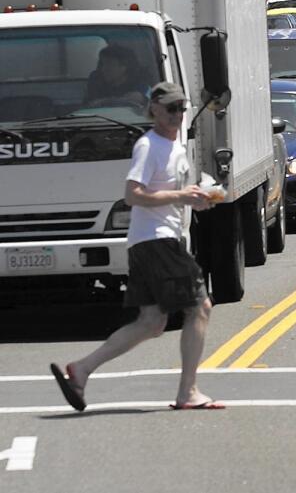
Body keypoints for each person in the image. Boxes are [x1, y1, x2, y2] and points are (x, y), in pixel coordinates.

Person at [50, 82, 221, 412]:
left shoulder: (176, 148)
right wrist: (182, 197)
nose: (177, 114)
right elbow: (133, 194)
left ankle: (81, 369)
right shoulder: (149, 145)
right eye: (170, 108)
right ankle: (188, 392)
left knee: (151, 322)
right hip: (156, 240)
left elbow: (171, 193)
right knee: (201, 307)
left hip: (150, 241)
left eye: (181, 108)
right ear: (153, 110)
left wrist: (196, 199)